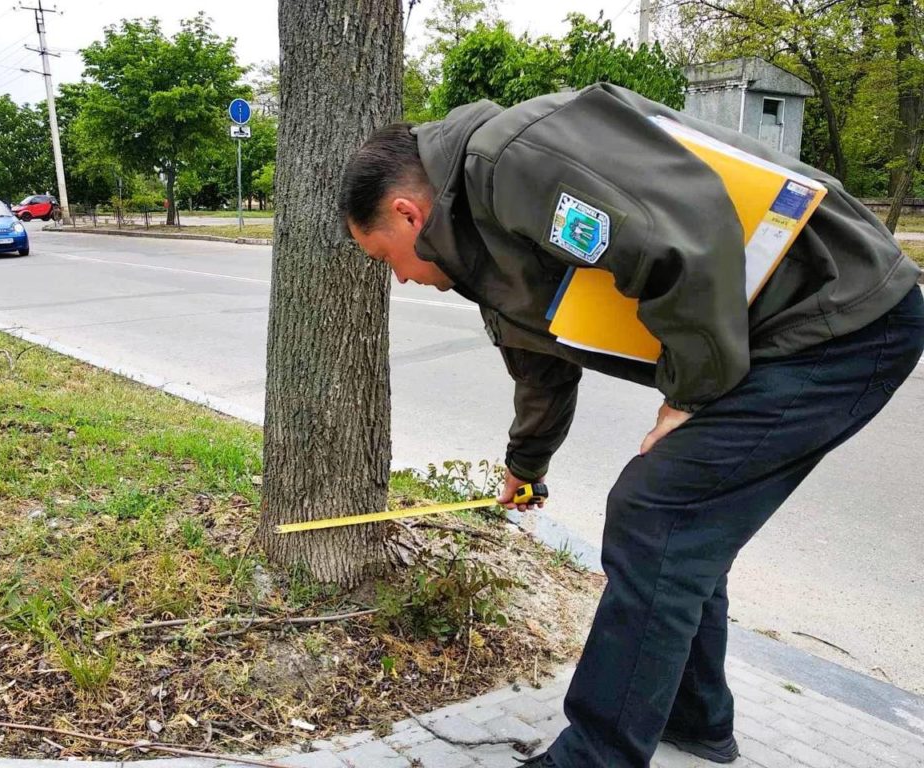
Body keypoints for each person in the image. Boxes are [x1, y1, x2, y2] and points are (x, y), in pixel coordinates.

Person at [338, 83, 924, 768]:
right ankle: (695, 717)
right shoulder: (479, 246)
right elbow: (541, 365)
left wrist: (688, 393)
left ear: (408, 215)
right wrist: (525, 468)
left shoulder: (511, 161)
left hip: (841, 315)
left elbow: (688, 229)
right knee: (681, 524)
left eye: (384, 261)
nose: (400, 280)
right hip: (777, 336)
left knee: (657, 512)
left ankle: (597, 756)